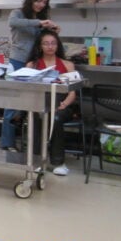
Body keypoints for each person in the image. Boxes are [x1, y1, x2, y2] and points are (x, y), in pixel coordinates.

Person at [0, 0, 59, 151]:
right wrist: (40, 22)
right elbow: (13, 23)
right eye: (38, 0)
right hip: (17, 61)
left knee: (31, 103)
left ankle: (33, 144)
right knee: (12, 102)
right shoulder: (18, 13)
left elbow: (45, 41)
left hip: (34, 63)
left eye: (44, 2)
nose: (41, 4)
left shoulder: (41, 19)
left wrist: (53, 31)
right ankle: (7, 143)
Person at [26, 30, 77, 176]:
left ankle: (58, 162)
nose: (50, 46)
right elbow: (28, 90)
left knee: (55, 118)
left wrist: (64, 104)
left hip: (62, 105)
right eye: (46, 43)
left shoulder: (68, 65)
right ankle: (35, 159)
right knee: (36, 116)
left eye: (53, 43)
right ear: (40, 46)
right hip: (39, 104)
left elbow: (72, 93)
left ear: (58, 45)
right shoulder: (32, 65)